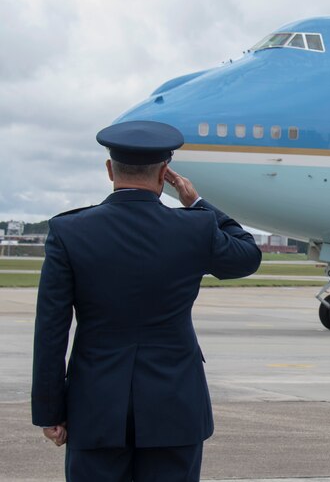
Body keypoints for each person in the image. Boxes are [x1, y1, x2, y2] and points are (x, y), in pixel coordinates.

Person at [31, 120, 262, 481]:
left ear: (110, 170)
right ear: (164, 173)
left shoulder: (69, 231)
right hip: (175, 404)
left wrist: (49, 410)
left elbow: (51, 330)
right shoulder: (196, 227)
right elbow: (247, 256)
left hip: (95, 405)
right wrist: (198, 203)